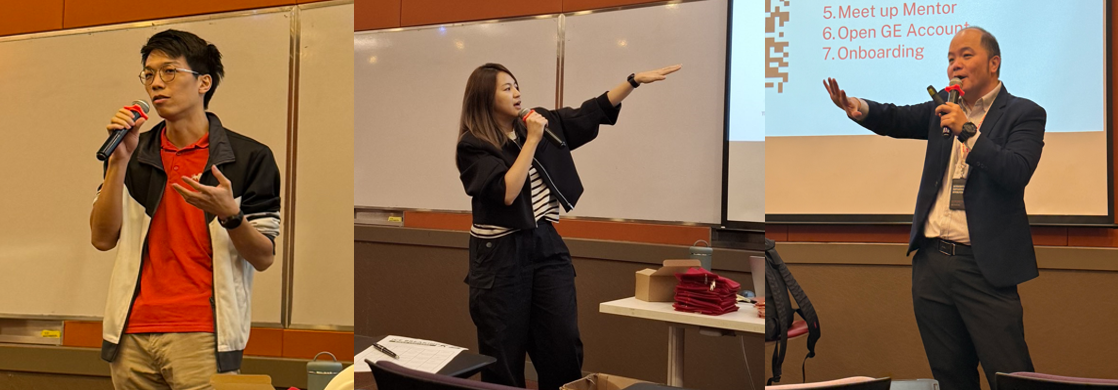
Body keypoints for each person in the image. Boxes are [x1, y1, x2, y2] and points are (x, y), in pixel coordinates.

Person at [824, 27, 1042, 390]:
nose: (955, 64)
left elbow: (1016, 171)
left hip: (984, 268)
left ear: (994, 62)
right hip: (932, 266)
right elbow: (897, 118)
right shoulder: (943, 106)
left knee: (1011, 376)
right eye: (950, 58)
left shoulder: (1024, 113)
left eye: (965, 55)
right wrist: (858, 108)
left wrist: (969, 131)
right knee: (950, 376)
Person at [455, 62, 681, 390]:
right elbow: (507, 191)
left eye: (517, 85)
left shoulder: (539, 122)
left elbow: (591, 112)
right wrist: (531, 141)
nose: (517, 93)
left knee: (562, 346)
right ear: (483, 98)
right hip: (499, 257)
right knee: (503, 355)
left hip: (546, 245)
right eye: (506, 88)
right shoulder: (473, 145)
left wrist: (632, 82)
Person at [89, 29, 281, 390]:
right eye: (149, 74)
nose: (156, 84)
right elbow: (102, 238)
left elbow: (264, 256)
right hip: (131, 335)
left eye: (169, 72)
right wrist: (118, 162)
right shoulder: (133, 152)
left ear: (203, 82)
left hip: (203, 335)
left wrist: (231, 215)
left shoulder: (248, 158)